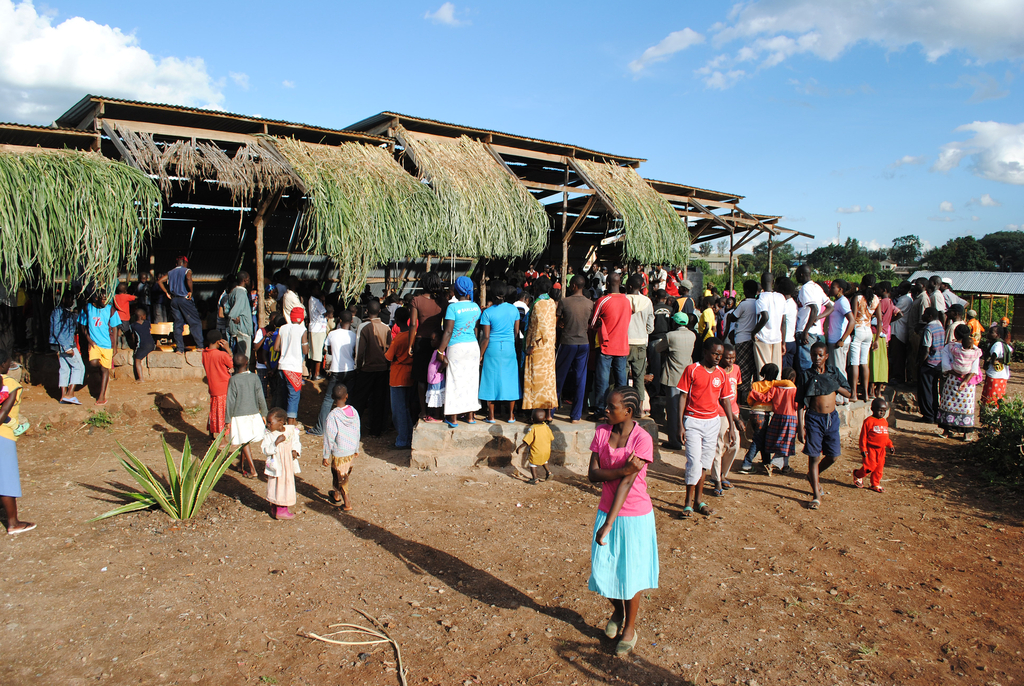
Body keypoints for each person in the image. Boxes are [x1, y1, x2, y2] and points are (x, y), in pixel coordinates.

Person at [587, 386, 657, 656]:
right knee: (602, 570)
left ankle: (629, 628)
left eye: (611, 407)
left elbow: (628, 483)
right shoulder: (602, 433)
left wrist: (609, 522)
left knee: (630, 574)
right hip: (606, 510)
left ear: (628, 411)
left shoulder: (642, 439)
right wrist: (623, 469)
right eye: (606, 405)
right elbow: (592, 475)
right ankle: (617, 611)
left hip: (634, 515)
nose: (605, 410)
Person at [677, 337, 737, 518]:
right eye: (715, 353)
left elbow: (725, 400)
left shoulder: (721, 374)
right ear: (705, 352)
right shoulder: (692, 370)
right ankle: (688, 502)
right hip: (693, 421)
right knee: (693, 462)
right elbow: (682, 397)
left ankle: (698, 501)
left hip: (713, 423)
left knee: (704, 463)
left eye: (720, 354)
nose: (718, 357)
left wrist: (731, 426)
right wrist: (680, 424)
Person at [797, 341, 852, 510]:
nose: (817, 358)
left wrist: (834, 385)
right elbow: (800, 403)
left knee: (833, 455)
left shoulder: (834, 372)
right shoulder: (806, 375)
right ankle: (816, 495)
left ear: (826, 356)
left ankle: (812, 475)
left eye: (820, 355)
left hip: (831, 418)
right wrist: (800, 427)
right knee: (814, 456)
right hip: (814, 418)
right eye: (814, 355)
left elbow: (849, 393)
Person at [437, 277, 481, 427]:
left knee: (454, 381)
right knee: (471, 381)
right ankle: (470, 416)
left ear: (455, 291)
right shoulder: (476, 307)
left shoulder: (452, 308)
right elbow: (475, 329)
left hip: (456, 347)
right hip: (473, 346)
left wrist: (440, 350)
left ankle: (453, 418)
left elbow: (448, 331)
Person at [589, 273, 632, 420]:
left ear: (607, 283)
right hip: (622, 345)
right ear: (620, 283)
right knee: (621, 382)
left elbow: (593, 323)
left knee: (603, 381)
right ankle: (622, 410)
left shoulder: (602, 301)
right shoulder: (627, 302)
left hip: (606, 346)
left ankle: (601, 411)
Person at [0, 349, 34, 534]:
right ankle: (13, 523)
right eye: (8, 362)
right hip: (3, 435)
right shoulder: (9, 384)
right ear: (3, 365)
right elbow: (3, 414)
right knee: (7, 480)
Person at [308, 310, 357, 437]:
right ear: (352, 321)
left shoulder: (332, 334)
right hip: (350, 369)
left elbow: (328, 350)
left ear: (339, 320)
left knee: (328, 399)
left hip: (336, 369)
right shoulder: (353, 335)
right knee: (349, 398)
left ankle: (320, 428)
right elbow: (355, 352)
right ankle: (347, 427)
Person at [479, 283, 521, 424]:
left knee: (490, 379)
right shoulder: (513, 310)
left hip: (492, 348)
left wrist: (480, 354)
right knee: (511, 379)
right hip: (509, 347)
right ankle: (511, 415)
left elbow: (486, 337)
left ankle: (491, 416)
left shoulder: (487, 312)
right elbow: (516, 333)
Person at [409, 272, 448, 422]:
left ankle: (423, 411)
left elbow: (413, 325)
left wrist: (410, 345)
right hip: (438, 342)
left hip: (421, 342)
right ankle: (438, 410)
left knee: (421, 378)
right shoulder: (442, 302)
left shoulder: (416, 300)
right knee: (437, 376)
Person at [555, 275, 594, 423]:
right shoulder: (590, 303)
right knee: (580, 378)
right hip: (583, 343)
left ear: (573, 286)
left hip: (567, 342)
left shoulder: (564, 302)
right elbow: (591, 323)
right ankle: (576, 416)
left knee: (559, 377)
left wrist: (562, 324)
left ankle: (550, 411)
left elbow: (556, 322)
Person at [351, 300, 393, 436]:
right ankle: (376, 430)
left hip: (366, 368)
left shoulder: (363, 327)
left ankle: (353, 429)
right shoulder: (386, 328)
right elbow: (390, 349)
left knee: (359, 399)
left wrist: (358, 366)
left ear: (366, 311)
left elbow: (360, 350)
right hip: (382, 368)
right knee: (378, 399)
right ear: (379, 311)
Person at [747, 366, 798, 475]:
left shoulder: (775, 388)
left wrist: (753, 392)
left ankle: (784, 466)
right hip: (790, 418)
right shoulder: (794, 389)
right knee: (786, 442)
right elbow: (797, 405)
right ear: (793, 379)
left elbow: (765, 398)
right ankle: (774, 464)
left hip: (777, 418)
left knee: (776, 440)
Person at [521, 277, 558, 421]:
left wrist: (531, 346)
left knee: (536, 381)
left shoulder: (538, 304)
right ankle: (548, 414)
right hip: (549, 348)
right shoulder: (551, 302)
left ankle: (535, 415)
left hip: (538, 348)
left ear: (536, 289)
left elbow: (540, 327)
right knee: (548, 380)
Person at [226, 351, 267, 478]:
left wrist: (227, 419)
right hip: (253, 412)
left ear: (234, 365)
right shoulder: (254, 377)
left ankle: (253, 470)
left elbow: (230, 401)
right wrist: (264, 412)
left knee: (244, 441)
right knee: (245, 440)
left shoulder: (233, 380)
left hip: (239, 415)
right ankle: (241, 464)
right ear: (247, 363)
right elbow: (260, 396)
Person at [710, 344, 744, 497]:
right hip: (720, 413)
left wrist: (738, 414)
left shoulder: (736, 369)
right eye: (727, 358)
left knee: (735, 445)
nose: (730, 361)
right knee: (719, 446)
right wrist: (735, 419)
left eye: (733, 358)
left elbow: (736, 393)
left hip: (734, 411)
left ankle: (723, 473)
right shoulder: (717, 372)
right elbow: (720, 399)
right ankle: (717, 479)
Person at [938, 323, 982, 439]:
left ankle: (947, 431)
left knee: (949, 403)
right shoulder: (974, 349)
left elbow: (946, 366)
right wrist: (965, 380)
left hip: (952, 380)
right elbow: (974, 369)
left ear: (955, 334)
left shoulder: (949, 347)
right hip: (968, 383)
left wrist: (958, 375)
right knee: (967, 406)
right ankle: (966, 433)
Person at [79, 291, 121, 406]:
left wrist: (115, 346)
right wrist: (89, 339)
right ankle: (101, 378)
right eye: (103, 299)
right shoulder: (88, 308)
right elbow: (82, 325)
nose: (105, 301)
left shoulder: (110, 309)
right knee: (93, 363)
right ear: (96, 298)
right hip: (95, 343)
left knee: (104, 369)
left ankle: (101, 395)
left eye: (106, 299)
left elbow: (115, 327)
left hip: (107, 344)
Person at [661, 312, 696, 450]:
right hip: (688, 376)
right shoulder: (692, 335)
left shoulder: (670, 335)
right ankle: (685, 437)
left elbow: (658, 348)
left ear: (674, 323)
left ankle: (674, 440)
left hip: (673, 377)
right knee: (686, 408)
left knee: (673, 410)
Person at [323, 383, 360, 510]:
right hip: (350, 450)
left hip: (339, 452)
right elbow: (357, 430)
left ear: (332, 397)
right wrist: (356, 448)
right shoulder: (353, 411)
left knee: (341, 477)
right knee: (341, 474)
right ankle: (336, 495)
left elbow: (329, 437)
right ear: (346, 396)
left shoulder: (333, 416)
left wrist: (326, 455)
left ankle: (347, 503)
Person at [737, 363, 779, 474]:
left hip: (753, 413)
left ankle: (766, 461)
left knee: (762, 438)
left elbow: (749, 400)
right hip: (764, 415)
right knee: (758, 440)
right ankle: (746, 464)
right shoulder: (774, 385)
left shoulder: (755, 384)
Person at [261, 407, 301, 520]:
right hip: (277, 466)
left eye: (270, 422)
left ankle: (278, 508)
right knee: (277, 485)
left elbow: (296, 442)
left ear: (281, 422)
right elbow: (265, 450)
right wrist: (275, 443)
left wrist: (295, 451)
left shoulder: (290, 431)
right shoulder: (269, 435)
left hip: (287, 466)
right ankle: (280, 510)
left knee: (285, 485)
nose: (268, 425)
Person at [159, 256, 205, 353]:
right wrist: (190, 291)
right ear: (185, 263)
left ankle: (179, 348)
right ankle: (200, 346)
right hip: (184, 299)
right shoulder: (187, 271)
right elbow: (188, 278)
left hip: (174, 300)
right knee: (195, 322)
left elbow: (160, 281)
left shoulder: (170, 272)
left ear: (176, 264)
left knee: (178, 323)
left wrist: (166, 292)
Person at [384, 308, 415, 449]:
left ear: (396, 320)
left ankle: (402, 440)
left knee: (399, 411)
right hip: (410, 375)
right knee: (406, 409)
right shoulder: (413, 335)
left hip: (397, 377)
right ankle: (408, 437)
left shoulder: (397, 339)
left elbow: (388, 357)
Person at [793, 265, 832, 373]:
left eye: (797, 275)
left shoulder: (805, 288)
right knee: (815, 366)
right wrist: (818, 318)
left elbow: (814, 308)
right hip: (816, 332)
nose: (796, 277)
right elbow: (830, 307)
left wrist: (806, 330)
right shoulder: (817, 287)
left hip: (807, 332)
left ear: (801, 274)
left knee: (805, 366)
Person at [625, 273, 655, 415]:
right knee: (639, 377)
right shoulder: (647, 302)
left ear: (629, 286)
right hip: (641, 344)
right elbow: (650, 327)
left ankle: (624, 406)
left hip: (624, 342)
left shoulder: (624, 300)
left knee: (623, 376)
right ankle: (639, 408)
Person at [847, 275, 879, 402]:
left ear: (862, 284)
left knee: (854, 363)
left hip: (858, 329)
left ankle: (854, 394)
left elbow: (853, 317)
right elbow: (880, 320)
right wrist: (877, 339)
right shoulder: (876, 299)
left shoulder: (858, 298)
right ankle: (866, 393)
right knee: (864, 362)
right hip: (868, 331)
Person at [725, 280, 759, 398]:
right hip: (753, 339)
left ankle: (741, 396)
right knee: (752, 367)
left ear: (747, 291)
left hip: (741, 339)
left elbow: (733, 317)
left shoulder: (744, 304)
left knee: (742, 368)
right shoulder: (758, 303)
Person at [274, 307, 308, 425]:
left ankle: (280, 421)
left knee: (283, 393)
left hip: (282, 365)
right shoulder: (302, 330)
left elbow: (276, 348)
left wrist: (285, 349)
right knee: (293, 396)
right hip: (293, 367)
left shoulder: (283, 328)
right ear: (302, 318)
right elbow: (305, 351)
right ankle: (291, 423)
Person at [853, 398, 895, 492]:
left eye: (884, 411)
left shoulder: (884, 421)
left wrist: (890, 445)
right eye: (880, 410)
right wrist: (863, 449)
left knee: (879, 468)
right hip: (870, 449)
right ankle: (858, 475)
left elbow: (885, 436)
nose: (882, 413)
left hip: (881, 450)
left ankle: (875, 484)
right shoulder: (869, 421)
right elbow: (863, 437)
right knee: (869, 467)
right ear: (872, 409)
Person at [50, 291, 83, 404]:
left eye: (72, 299)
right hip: (66, 344)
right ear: (63, 299)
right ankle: (70, 394)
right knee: (79, 367)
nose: (71, 301)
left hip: (63, 344)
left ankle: (63, 396)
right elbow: (57, 330)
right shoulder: (59, 312)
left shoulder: (67, 312)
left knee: (65, 369)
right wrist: (67, 347)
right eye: (69, 299)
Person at [868, 281, 899, 400]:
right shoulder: (890, 302)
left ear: (884, 290)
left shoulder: (882, 302)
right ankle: (878, 390)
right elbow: (899, 314)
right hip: (884, 334)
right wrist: (888, 323)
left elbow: (877, 319)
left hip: (876, 333)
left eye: (879, 290)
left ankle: (871, 389)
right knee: (882, 363)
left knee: (873, 362)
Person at [752, 273, 785, 379]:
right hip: (777, 338)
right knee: (776, 371)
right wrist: (783, 342)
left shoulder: (761, 297)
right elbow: (784, 321)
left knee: (763, 370)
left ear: (761, 284)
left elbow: (765, 317)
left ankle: (765, 390)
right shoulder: (781, 297)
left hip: (763, 337)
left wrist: (754, 332)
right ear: (773, 282)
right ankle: (776, 389)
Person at [202, 330, 234, 439]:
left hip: (213, 387)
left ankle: (211, 436)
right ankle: (223, 438)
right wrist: (228, 349)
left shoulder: (204, 353)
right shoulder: (222, 355)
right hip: (223, 388)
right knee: (223, 414)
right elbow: (232, 364)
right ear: (219, 342)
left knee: (213, 412)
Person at [917, 308, 944, 425]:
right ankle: (935, 412)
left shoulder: (929, 328)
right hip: (938, 363)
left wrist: (920, 363)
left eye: (925, 314)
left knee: (926, 390)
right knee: (934, 389)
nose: (922, 316)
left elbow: (926, 348)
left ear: (930, 316)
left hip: (929, 363)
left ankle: (928, 415)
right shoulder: (940, 326)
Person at [825, 280, 854, 387]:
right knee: (834, 369)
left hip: (838, 341)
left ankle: (843, 393)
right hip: (834, 340)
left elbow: (852, 321)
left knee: (839, 370)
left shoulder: (842, 302)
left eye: (833, 287)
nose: (830, 289)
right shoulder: (837, 302)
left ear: (840, 289)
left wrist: (842, 339)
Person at [516, 408, 555, 484]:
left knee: (532, 463)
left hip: (536, 451)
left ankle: (535, 479)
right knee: (544, 460)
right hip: (546, 450)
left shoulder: (533, 428)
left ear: (532, 419)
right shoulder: (546, 427)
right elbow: (552, 437)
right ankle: (549, 472)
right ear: (544, 418)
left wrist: (520, 447)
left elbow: (527, 440)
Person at [888, 282, 914, 386]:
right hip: (897, 329)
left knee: (898, 355)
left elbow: (892, 311)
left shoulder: (905, 300)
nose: (898, 289)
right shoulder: (903, 298)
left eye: (900, 287)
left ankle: (898, 377)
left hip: (899, 330)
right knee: (896, 355)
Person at [224, 272, 255, 358]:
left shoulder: (233, 292)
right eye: (248, 279)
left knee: (238, 355)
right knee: (244, 357)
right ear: (245, 280)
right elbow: (233, 313)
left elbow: (226, 310)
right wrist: (235, 319)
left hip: (239, 329)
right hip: (242, 330)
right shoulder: (241, 293)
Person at [981, 324, 1013, 408]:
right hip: (1002, 375)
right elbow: (1010, 350)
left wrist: (992, 360)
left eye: (991, 332)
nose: (988, 334)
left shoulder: (997, 344)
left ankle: (990, 413)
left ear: (997, 335)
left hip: (994, 375)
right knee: (998, 396)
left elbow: (995, 353)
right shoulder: (1002, 343)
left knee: (991, 397)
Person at [307, 286, 328, 381]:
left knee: (313, 352)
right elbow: (324, 312)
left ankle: (311, 373)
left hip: (313, 328)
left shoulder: (311, 300)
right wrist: (323, 301)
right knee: (318, 352)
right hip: (318, 329)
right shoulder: (316, 301)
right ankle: (317, 374)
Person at [777, 277, 798, 370]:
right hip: (792, 340)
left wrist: (783, 343)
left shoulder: (784, 304)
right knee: (789, 369)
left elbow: (783, 323)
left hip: (785, 341)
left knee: (783, 370)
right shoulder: (793, 303)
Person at [130, 307, 155, 383]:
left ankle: (141, 378)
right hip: (152, 344)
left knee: (137, 360)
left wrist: (133, 345)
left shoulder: (133, 326)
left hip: (143, 345)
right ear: (142, 316)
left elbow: (134, 337)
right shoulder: (147, 323)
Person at [112, 282, 136, 350]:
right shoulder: (126, 296)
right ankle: (124, 344)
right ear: (125, 290)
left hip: (117, 317)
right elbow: (135, 298)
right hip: (125, 317)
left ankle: (118, 344)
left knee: (118, 330)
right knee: (125, 331)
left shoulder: (115, 297)